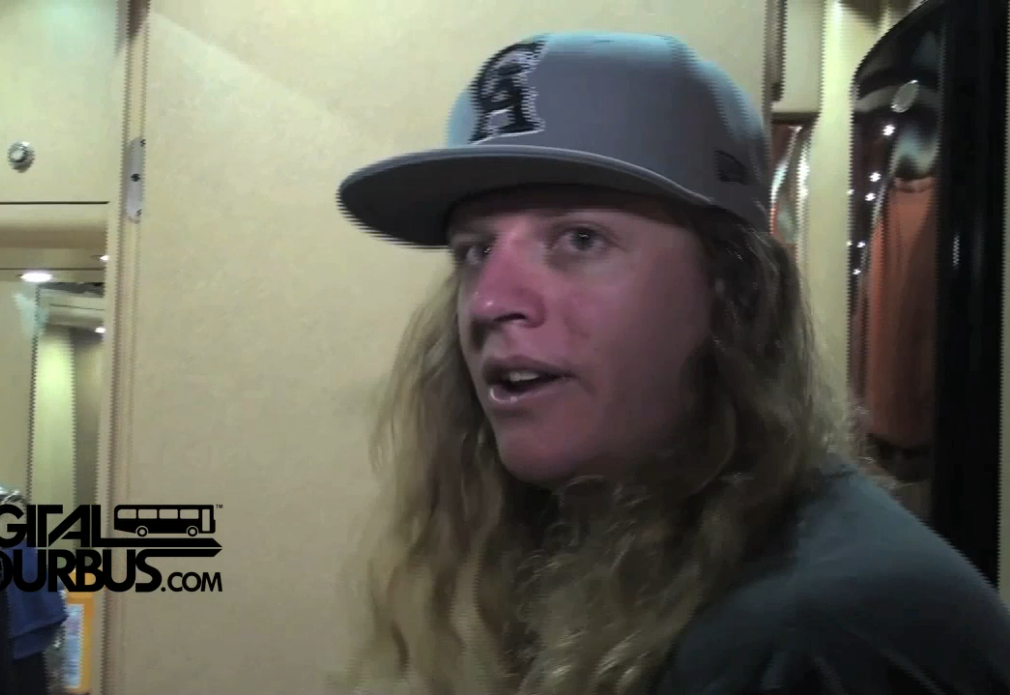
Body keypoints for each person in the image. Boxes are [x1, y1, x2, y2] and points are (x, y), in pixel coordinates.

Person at [331, 31, 1010, 695]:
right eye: (476, 251)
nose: (489, 301)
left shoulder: (826, 637)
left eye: (579, 239)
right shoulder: (621, 557)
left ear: (732, 289)